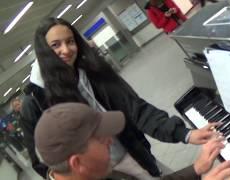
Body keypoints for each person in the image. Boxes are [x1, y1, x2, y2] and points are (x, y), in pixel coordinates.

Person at [29, 17, 217, 179]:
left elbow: (135, 108)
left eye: (70, 41)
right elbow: (44, 161)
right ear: (43, 51)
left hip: (132, 152)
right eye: (55, 45)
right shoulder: (36, 100)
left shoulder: (93, 70)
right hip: (98, 172)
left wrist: (184, 134)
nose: (67, 49)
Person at [34, 103, 230, 180]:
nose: (111, 140)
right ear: (77, 163)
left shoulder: (99, 174)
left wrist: (196, 169)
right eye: (101, 138)